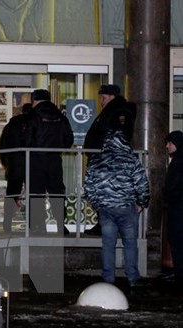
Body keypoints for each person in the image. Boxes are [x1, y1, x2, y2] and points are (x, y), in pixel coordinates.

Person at [84, 129, 149, 287]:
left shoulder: (96, 160)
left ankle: (108, 278)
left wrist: (97, 204)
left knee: (108, 243)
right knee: (130, 242)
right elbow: (142, 183)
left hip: (106, 209)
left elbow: (89, 187)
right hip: (127, 207)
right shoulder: (131, 159)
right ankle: (132, 277)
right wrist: (141, 202)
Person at [84, 84, 136, 236]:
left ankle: (106, 225)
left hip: (107, 160)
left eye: (104, 98)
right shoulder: (110, 111)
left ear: (112, 97)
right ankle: (102, 224)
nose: (101, 101)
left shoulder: (119, 112)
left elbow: (118, 135)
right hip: (103, 159)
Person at [27, 89, 74, 235]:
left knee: (36, 193)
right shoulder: (60, 115)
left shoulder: (32, 116)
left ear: (34, 100)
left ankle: (38, 226)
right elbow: (69, 140)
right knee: (57, 193)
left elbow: (27, 139)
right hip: (54, 159)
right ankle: (61, 225)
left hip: (35, 159)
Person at [0, 103, 32, 233]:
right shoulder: (34, 123)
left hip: (14, 165)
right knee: (33, 194)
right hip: (32, 165)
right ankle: (32, 224)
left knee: (12, 194)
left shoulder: (11, 125)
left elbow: (3, 146)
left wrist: (7, 163)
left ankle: (7, 224)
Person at [164, 130, 183, 292]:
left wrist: (168, 198)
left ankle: (180, 274)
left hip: (178, 209)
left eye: (169, 143)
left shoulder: (178, 163)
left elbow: (172, 186)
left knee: (177, 241)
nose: (167, 146)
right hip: (177, 207)